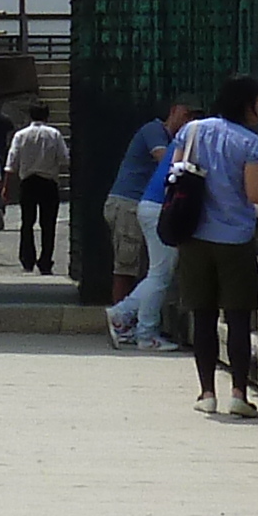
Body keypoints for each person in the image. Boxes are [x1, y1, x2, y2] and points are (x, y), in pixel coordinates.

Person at [172, 74, 258, 418]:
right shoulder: (250, 143)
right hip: (235, 240)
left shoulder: (193, 131)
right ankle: (239, 392)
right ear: (248, 103)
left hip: (195, 237)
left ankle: (206, 392)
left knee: (204, 316)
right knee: (239, 318)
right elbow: (256, 195)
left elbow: (176, 174)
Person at [103, 99, 192, 338]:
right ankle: (124, 322)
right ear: (173, 110)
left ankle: (126, 319)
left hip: (143, 205)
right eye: (187, 114)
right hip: (128, 203)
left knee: (152, 270)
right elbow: (165, 160)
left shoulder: (179, 140)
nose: (189, 120)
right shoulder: (155, 131)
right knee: (128, 268)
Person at [5, 107, 68, 273]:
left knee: (27, 222)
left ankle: (27, 258)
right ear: (47, 116)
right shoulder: (54, 134)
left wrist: (6, 186)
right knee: (48, 224)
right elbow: (64, 158)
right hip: (48, 182)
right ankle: (45, 260)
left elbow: (12, 162)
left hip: (28, 182)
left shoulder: (20, 135)